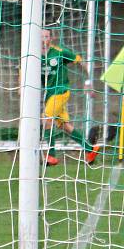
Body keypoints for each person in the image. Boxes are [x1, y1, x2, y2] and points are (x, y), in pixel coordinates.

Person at [41, 28, 100, 166]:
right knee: (64, 126)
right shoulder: (34, 56)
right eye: (41, 36)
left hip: (61, 91)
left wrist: (88, 82)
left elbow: (81, 62)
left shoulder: (60, 52)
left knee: (46, 118)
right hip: (49, 94)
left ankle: (51, 155)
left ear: (51, 38)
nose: (44, 39)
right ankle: (90, 149)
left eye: (46, 36)